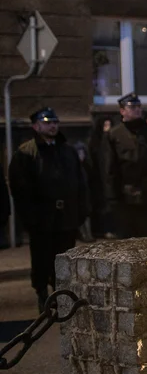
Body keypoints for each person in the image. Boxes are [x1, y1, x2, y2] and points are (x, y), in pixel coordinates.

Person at [8, 108, 89, 312]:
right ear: (36, 126)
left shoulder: (67, 151)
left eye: (55, 122)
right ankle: (43, 294)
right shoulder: (26, 152)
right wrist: (30, 218)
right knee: (42, 258)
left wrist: (81, 211)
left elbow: (80, 182)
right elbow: (21, 189)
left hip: (66, 217)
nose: (52, 126)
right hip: (42, 219)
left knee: (64, 258)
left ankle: (62, 294)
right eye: (47, 123)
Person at [102, 93, 147, 238]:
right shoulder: (114, 134)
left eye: (138, 106)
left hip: (146, 195)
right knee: (126, 238)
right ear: (122, 111)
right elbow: (108, 168)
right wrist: (112, 197)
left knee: (145, 238)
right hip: (123, 196)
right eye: (132, 107)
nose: (137, 110)